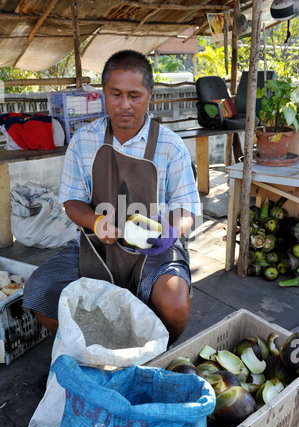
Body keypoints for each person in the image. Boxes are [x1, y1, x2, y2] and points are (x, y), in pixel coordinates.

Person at [22, 49, 200, 345]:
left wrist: (170, 231)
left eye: (135, 95)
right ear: (103, 93)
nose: (125, 105)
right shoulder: (83, 141)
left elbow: (186, 207)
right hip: (97, 245)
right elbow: (72, 201)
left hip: (152, 250)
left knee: (175, 304)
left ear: (150, 94)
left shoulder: (170, 146)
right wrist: (95, 221)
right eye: (115, 94)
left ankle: (154, 352)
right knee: (39, 291)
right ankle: (94, 349)